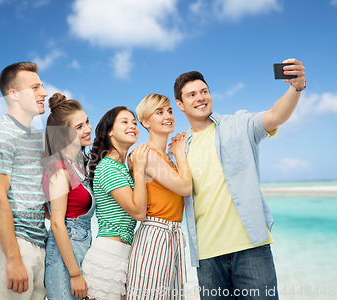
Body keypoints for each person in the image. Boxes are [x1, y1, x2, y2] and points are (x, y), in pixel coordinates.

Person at [173, 59, 307, 300]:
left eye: (204, 91)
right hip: (207, 255)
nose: (200, 97)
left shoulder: (239, 124)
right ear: (180, 104)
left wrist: (296, 87)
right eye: (191, 95)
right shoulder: (181, 150)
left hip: (251, 249)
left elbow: (276, 116)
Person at [0, 62, 48, 300]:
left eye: (42, 86)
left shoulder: (37, 137)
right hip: (10, 246)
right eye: (35, 87)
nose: (44, 93)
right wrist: (13, 259)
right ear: (14, 94)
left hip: (38, 243)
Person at [127, 94, 192, 300]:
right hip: (155, 234)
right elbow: (185, 187)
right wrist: (180, 152)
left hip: (171, 234)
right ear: (145, 122)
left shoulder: (166, 158)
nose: (168, 116)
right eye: (160, 112)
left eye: (170, 111)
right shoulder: (147, 153)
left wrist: (176, 153)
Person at [81, 106, 150, 300]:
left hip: (122, 256)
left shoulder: (119, 167)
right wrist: (140, 168)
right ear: (110, 131)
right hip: (107, 259)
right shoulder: (109, 167)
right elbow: (138, 212)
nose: (133, 126)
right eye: (125, 122)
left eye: (135, 123)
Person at [42, 92, 95, 300]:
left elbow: (56, 211)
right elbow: (57, 223)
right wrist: (74, 274)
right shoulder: (59, 169)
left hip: (79, 246)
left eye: (87, 122)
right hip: (65, 257)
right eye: (79, 127)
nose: (88, 129)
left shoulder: (79, 165)